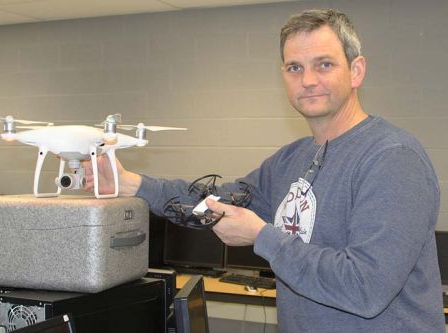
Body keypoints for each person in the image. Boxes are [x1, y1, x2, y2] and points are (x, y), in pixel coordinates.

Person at [83, 9, 445, 333]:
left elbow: (365, 287)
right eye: (294, 68)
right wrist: (132, 183)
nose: (307, 80)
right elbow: (211, 203)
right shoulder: (291, 160)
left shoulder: (391, 158)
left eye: (324, 64)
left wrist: (262, 236)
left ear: (356, 71)